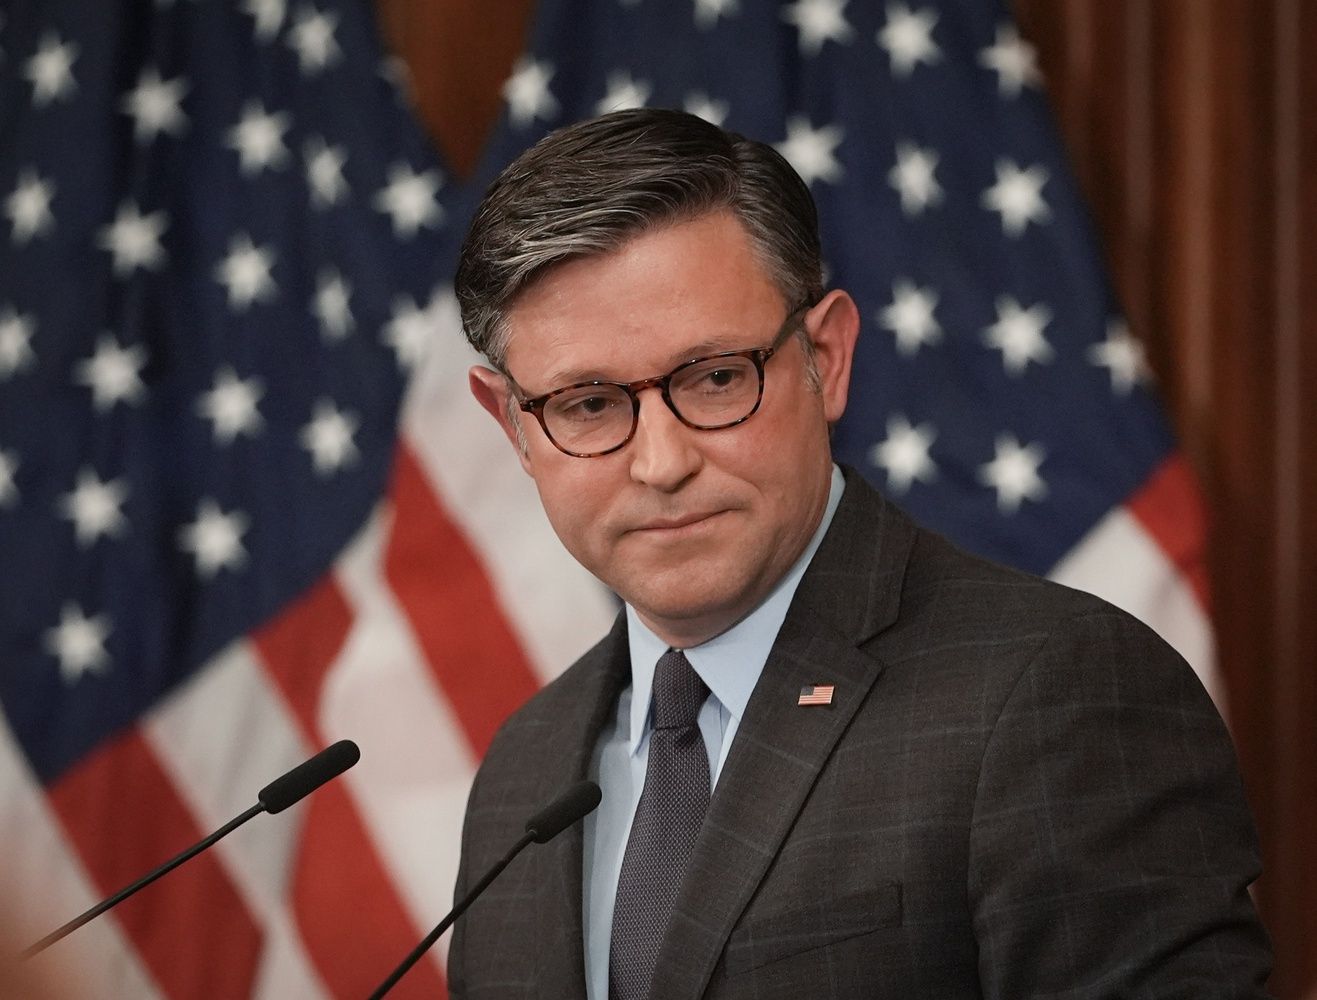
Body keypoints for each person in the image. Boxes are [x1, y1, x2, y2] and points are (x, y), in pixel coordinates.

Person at [446, 108, 1271, 1000]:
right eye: (589, 405)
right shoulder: (521, 772)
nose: (661, 462)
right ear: (514, 428)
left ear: (825, 359)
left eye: (717, 377)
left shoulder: (1056, 693)